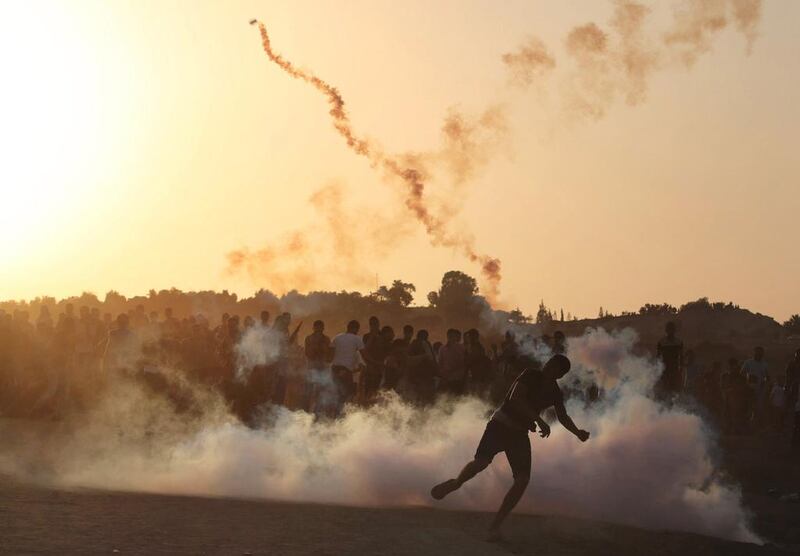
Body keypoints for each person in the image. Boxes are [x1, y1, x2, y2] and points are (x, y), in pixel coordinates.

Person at [430, 353, 590, 541]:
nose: (547, 366)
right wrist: (538, 419)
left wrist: (577, 432)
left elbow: (562, 417)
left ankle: (495, 527)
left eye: (553, 367)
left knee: (522, 480)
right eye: (549, 363)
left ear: (559, 374)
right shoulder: (530, 374)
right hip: (500, 425)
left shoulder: (555, 392)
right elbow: (515, 398)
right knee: (481, 463)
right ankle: (456, 483)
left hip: (519, 435)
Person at [330, 320, 363, 414]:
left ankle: (334, 414)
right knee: (345, 395)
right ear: (355, 329)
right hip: (346, 371)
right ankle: (339, 415)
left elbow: (330, 356)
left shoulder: (337, 337)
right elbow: (364, 358)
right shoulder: (357, 339)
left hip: (334, 369)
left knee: (336, 393)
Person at [742, 346, 769, 429]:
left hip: (760, 390)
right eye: (757, 352)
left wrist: (764, 383)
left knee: (758, 409)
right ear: (754, 352)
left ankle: (755, 427)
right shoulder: (748, 362)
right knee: (748, 408)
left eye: (761, 353)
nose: (759, 354)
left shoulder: (765, 364)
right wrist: (747, 381)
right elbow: (742, 373)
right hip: (749, 389)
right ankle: (746, 427)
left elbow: (767, 377)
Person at [656, 321, 684, 398]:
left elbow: (681, 356)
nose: (670, 331)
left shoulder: (679, 342)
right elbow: (658, 357)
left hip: (675, 369)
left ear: (674, 330)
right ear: (666, 330)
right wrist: (659, 370)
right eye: (669, 329)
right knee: (665, 391)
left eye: (672, 329)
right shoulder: (661, 342)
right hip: (665, 369)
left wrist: (681, 368)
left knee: (676, 391)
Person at [437, 329, 466, 396]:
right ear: (447, 336)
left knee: (456, 398)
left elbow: (462, 362)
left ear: (455, 336)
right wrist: (443, 375)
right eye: (450, 335)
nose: (451, 337)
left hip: (457, 378)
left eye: (453, 336)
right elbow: (440, 363)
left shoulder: (461, 347)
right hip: (446, 379)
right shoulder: (442, 348)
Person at [784, 349, 800, 449]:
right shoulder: (792, 364)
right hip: (794, 393)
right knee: (794, 418)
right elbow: (788, 377)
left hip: (795, 392)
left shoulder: (792, 364)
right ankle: (793, 441)